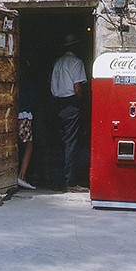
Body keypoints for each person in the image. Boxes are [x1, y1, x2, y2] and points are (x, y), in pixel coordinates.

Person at [50, 33, 89, 193]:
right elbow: (77, 87)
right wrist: (81, 102)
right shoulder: (77, 62)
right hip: (71, 103)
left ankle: (56, 180)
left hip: (56, 103)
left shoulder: (57, 63)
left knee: (59, 141)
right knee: (71, 142)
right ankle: (69, 181)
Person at [17, 73, 36, 190]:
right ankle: (22, 175)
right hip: (24, 115)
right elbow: (32, 98)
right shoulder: (26, 81)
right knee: (29, 145)